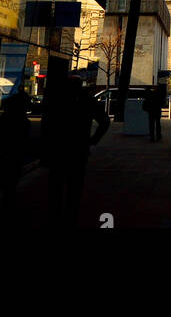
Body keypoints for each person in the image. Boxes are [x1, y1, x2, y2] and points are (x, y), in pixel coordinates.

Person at [41, 75, 110, 227]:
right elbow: (104, 121)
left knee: (56, 184)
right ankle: (70, 216)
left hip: (59, 149)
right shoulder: (87, 100)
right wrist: (93, 141)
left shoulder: (58, 100)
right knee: (74, 186)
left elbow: (47, 124)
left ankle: (56, 216)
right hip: (78, 148)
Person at [0, 91, 33, 212]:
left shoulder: (3, 119)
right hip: (12, 158)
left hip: (3, 157)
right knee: (9, 187)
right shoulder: (23, 122)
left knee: (0, 185)